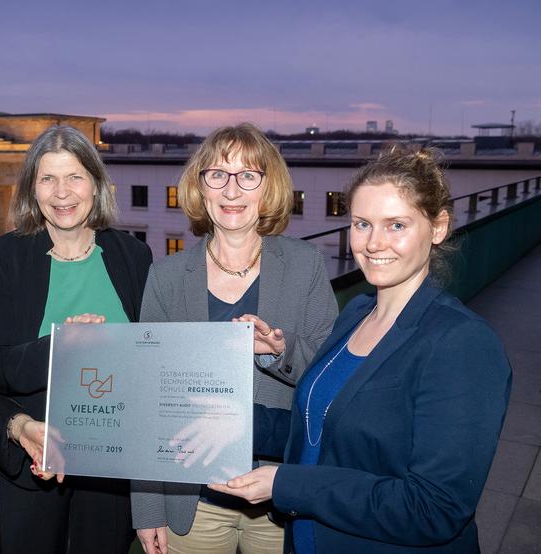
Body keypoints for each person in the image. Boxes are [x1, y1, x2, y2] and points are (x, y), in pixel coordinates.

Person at [209, 146, 512, 552]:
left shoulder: (462, 344)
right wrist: (237, 423)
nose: (373, 243)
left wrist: (288, 484)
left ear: (438, 227)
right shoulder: (356, 312)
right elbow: (325, 430)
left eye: (397, 225)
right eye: (362, 224)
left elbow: (434, 508)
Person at [131, 123, 338, 554]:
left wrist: (280, 351)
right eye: (217, 174)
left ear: (267, 188)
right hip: (193, 498)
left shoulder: (306, 265)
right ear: (200, 187)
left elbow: (331, 377)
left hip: (279, 495)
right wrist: (148, 507)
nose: (231, 190)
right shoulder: (166, 278)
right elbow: (145, 396)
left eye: (248, 176)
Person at [0, 125, 152, 553]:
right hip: (31, 464)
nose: (62, 192)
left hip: (111, 468)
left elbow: (150, 356)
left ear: (96, 183)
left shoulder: (134, 256)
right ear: (31, 189)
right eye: (47, 179)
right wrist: (60, 347)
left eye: (74, 177)